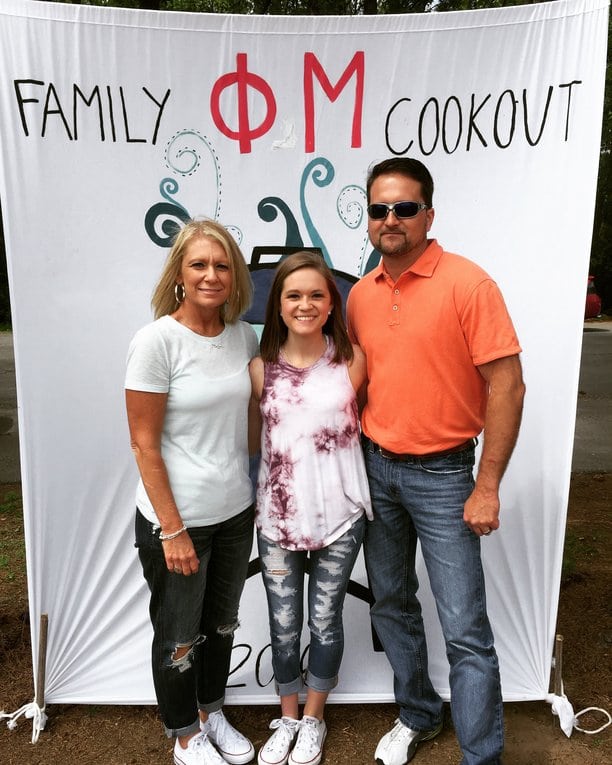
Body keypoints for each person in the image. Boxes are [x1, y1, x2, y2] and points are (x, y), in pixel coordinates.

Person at [346, 158, 526, 765]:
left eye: (403, 207)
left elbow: (509, 386)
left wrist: (488, 484)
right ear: (368, 219)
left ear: (428, 214)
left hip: (447, 478)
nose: (390, 219)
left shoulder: (469, 284)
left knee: (465, 631)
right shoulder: (361, 297)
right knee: (391, 603)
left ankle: (482, 756)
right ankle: (418, 714)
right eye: (379, 208)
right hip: (376, 470)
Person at [125, 219, 258, 765]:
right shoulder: (156, 341)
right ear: (179, 273)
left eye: (222, 265)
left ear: (235, 276)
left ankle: (212, 711)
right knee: (178, 637)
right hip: (177, 521)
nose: (211, 275)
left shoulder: (245, 336)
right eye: (199, 264)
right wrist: (172, 530)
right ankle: (184, 735)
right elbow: (143, 445)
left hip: (235, 512)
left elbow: (251, 423)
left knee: (221, 626)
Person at [249, 252, 372, 765]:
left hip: (340, 517)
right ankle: (287, 716)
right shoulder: (259, 369)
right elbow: (254, 442)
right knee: (283, 625)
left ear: (331, 304)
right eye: (293, 295)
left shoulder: (354, 361)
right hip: (276, 521)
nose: (305, 304)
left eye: (316, 295)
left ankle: (314, 719)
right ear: (277, 304)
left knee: (324, 621)